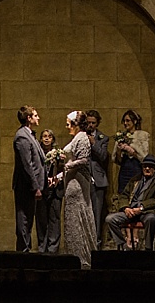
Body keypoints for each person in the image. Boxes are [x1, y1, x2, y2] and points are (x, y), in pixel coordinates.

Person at [105, 154, 155, 251]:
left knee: (151, 219)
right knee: (110, 219)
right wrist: (126, 208)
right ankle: (123, 245)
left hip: (146, 211)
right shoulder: (135, 179)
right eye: (145, 166)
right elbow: (124, 195)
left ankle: (148, 248)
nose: (147, 168)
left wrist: (141, 208)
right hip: (130, 210)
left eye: (150, 167)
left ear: (154, 169)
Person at [59, 110, 97, 268]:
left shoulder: (81, 137)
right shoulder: (77, 137)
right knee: (72, 220)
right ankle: (74, 254)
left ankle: (81, 257)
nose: (67, 126)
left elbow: (83, 160)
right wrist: (59, 177)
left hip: (78, 184)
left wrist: (67, 164)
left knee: (77, 218)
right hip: (71, 182)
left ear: (75, 124)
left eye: (68, 123)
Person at [12, 105, 45, 253]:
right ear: (28, 119)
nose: (38, 118)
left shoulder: (30, 135)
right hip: (25, 185)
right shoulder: (22, 136)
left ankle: (26, 248)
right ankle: (23, 250)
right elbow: (27, 165)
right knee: (24, 219)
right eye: (35, 115)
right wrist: (35, 186)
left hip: (32, 185)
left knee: (28, 219)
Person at [85, 109, 109, 245]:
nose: (90, 125)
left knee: (97, 213)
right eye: (88, 122)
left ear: (97, 123)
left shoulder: (103, 138)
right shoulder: (80, 135)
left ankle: (97, 242)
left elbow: (103, 156)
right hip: (83, 178)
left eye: (93, 123)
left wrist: (93, 143)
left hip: (98, 180)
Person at [37, 128, 63, 254]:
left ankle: (53, 248)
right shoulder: (37, 153)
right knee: (41, 219)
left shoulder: (58, 153)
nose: (47, 138)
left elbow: (64, 170)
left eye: (49, 136)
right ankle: (42, 247)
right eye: (44, 136)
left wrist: (56, 178)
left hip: (55, 190)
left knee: (55, 219)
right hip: (41, 190)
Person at [113, 109, 150, 195]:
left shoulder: (142, 135)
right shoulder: (121, 136)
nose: (125, 123)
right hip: (124, 169)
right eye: (124, 121)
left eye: (128, 120)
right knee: (122, 193)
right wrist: (119, 149)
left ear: (135, 121)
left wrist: (132, 151)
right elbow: (117, 160)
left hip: (136, 168)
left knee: (135, 192)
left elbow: (144, 157)